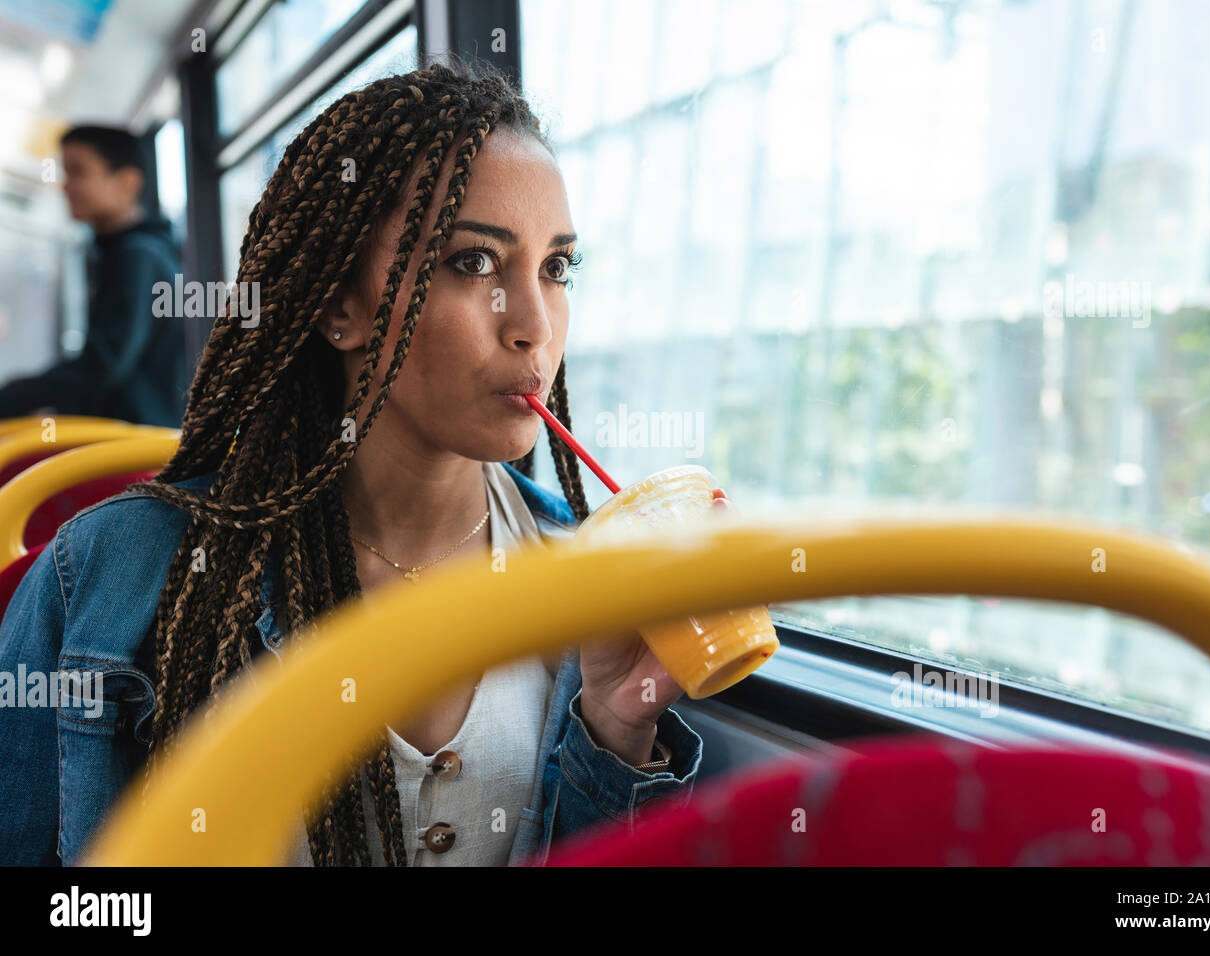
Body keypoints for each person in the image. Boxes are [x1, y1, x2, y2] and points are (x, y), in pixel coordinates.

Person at [0, 56, 732, 866]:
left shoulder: (588, 588)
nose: (534, 325)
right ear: (340, 305)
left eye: (557, 269)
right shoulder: (103, 576)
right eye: (474, 263)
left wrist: (617, 725)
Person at [0, 125, 189, 427]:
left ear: (127, 181)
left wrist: (14, 396)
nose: (65, 186)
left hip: (135, 443)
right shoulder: (143, 250)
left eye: (78, 172)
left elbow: (105, 365)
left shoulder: (135, 255)